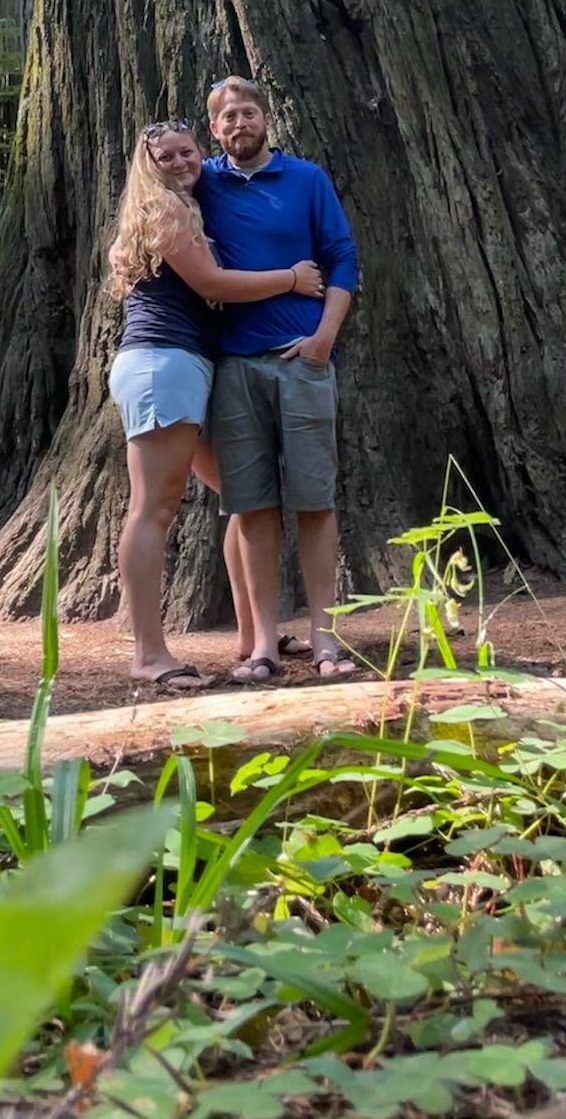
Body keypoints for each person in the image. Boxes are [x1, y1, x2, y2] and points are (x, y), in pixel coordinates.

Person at [106, 118, 325, 691]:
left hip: (189, 364)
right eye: (166, 158)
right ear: (149, 166)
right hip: (162, 363)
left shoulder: (187, 207)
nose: (180, 163)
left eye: (187, 152)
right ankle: (149, 654)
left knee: (242, 491)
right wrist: (292, 279)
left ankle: (256, 637)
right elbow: (212, 284)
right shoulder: (167, 212)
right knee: (154, 507)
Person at [197, 76, 362, 682]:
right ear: (214, 129)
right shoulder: (203, 183)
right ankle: (264, 643)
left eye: (248, 113)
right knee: (252, 506)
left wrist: (325, 337)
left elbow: (342, 255)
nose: (239, 124)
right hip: (234, 365)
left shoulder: (307, 180)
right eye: (227, 117)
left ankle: (326, 640)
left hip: (303, 362)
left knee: (315, 501)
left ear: (266, 119)